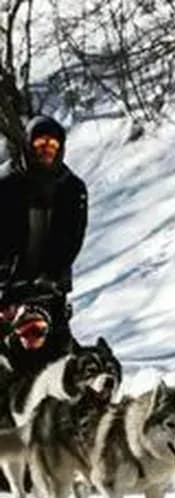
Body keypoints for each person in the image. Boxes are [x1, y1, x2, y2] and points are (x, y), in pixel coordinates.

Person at [0, 115, 87, 370]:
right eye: (40, 144)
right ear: (28, 145)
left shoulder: (72, 188)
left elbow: (74, 236)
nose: (46, 150)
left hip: (51, 282)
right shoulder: (5, 183)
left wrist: (54, 272)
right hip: (8, 283)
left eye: (52, 145)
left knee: (55, 354)